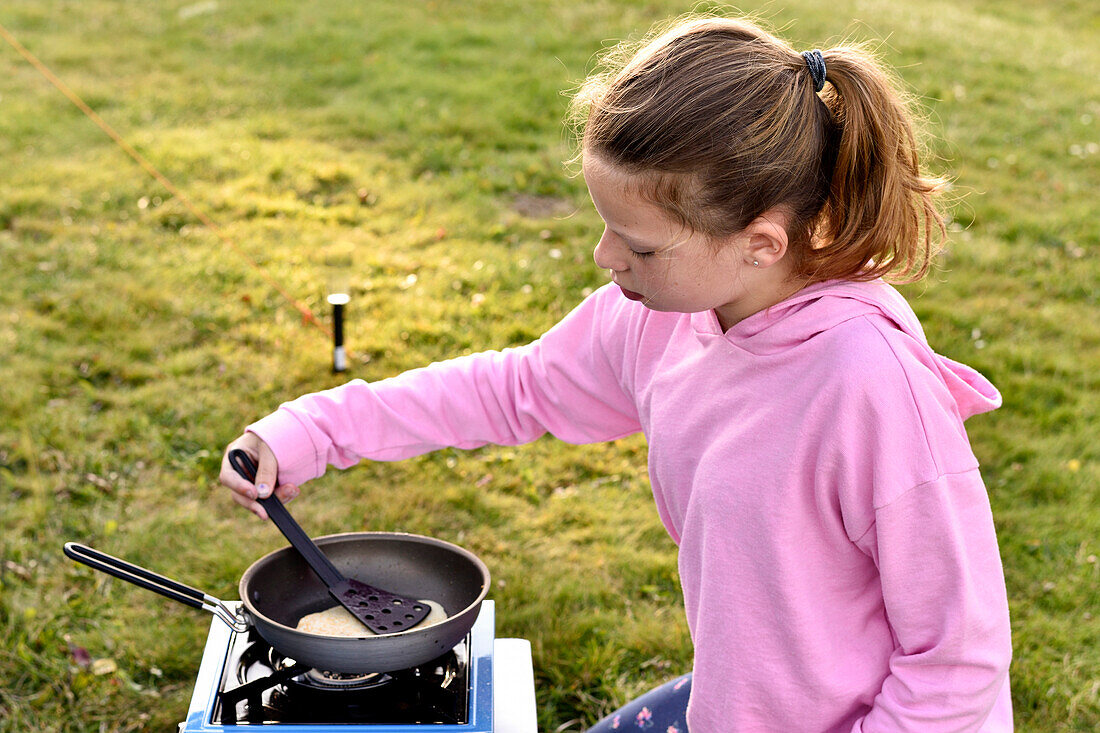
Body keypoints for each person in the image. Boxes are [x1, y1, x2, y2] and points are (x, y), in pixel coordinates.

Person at [219, 13, 1013, 732]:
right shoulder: (661, 317)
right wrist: (310, 430)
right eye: (607, 229)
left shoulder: (868, 387)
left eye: (639, 246)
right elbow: (515, 388)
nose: (606, 260)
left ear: (761, 243)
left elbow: (958, 657)